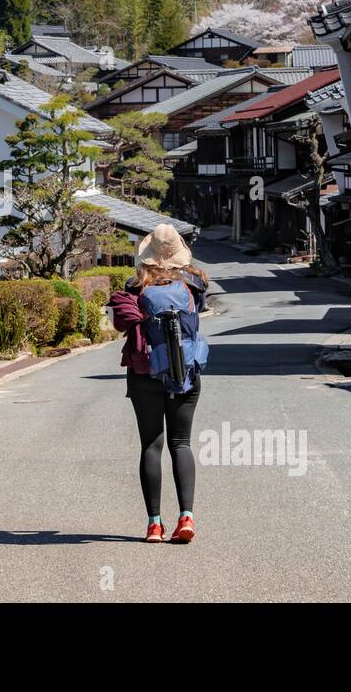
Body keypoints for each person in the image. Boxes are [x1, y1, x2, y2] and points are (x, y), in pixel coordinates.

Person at [107, 224, 209, 544]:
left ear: (146, 257)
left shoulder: (133, 288)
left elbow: (117, 321)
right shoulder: (195, 285)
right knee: (181, 444)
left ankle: (154, 524)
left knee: (151, 446)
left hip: (145, 373)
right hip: (185, 373)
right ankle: (186, 518)